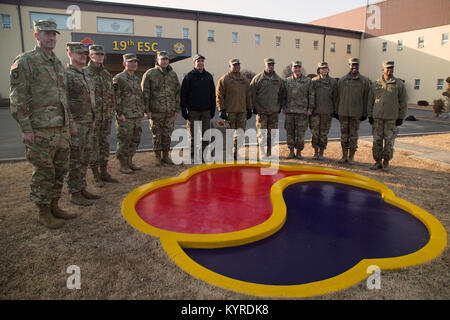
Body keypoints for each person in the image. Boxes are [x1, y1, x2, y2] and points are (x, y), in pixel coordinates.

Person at [10, 20, 77, 228]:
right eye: (47, 34)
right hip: (39, 130)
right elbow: (17, 98)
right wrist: (26, 129)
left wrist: (70, 123)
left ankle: (55, 205)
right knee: (43, 172)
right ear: (36, 35)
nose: (52, 38)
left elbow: (63, 96)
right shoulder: (26, 61)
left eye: (54, 34)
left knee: (60, 170)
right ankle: (43, 211)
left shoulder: (56, 63)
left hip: (61, 129)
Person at [65, 42, 100, 206]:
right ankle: (74, 192)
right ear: (70, 54)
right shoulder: (66, 74)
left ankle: (81, 188)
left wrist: (92, 120)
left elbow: (90, 100)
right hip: (75, 125)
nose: (83, 56)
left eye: (84, 54)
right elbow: (63, 102)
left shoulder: (86, 74)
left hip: (87, 123)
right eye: (79, 53)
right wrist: (70, 124)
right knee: (75, 159)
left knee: (85, 157)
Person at [86, 44, 118, 186]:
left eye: (101, 54)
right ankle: (96, 175)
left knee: (105, 144)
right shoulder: (85, 73)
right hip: (93, 118)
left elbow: (111, 95)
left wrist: (112, 111)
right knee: (94, 145)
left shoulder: (106, 74)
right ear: (90, 56)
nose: (99, 57)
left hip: (106, 117)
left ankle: (104, 172)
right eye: (96, 54)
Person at [141, 50, 180, 166]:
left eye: (166, 59)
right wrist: (146, 110)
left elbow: (177, 92)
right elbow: (145, 93)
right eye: (162, 59)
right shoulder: (150, 73)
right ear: (157, 60)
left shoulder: (172, 74)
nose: (164, 61)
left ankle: (165, 156)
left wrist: (177, 110)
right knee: (156, 135)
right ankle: (158, 157)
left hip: (169, 112)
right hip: (156, 112)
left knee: (167, 135)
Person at [368, 61, 407, 170]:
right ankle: (377, 161)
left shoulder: (398, 84)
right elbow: (370, 100)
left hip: (391, 119)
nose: (389, 70)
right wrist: (370, 115)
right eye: (387, 68)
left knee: (389, 142)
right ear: (383, 69)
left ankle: (386, 161)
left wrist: (401, 117)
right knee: (377, 141)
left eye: (391, 68)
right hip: (377, 118)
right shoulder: (376, 84)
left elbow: (403, 101)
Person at [113, 53, 145, 174]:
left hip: (136, 115)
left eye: (135, 62)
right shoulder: (119, 78)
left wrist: (141, 111)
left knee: (135, 139)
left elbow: (139, 97)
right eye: (130, 62)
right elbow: (115, 97)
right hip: (125, 116)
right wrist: (119, 113)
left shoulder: (136, 79)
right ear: (124, 63)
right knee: (124, 140)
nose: (133, 64)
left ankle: (130, 161)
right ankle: (123, 164)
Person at [180, 53, 216, 162]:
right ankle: (193, 154)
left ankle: (204, 154)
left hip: (206, 111)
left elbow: (212, 95)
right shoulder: (189, 76)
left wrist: (212, 110)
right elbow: (183, 95)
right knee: (193, 135)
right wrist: (184, 110)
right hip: (193, 111)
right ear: (194, 63)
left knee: (206, 134)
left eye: (202, 61)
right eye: (198, 61)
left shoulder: (208, 76)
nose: (200, 63)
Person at [336, 57, 371, 165]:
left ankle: (351, 157)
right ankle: (344, 156)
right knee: (344, 136)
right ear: (349, 66)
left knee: (353, 136)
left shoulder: (364, 81)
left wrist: (365, 113)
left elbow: (367, 98)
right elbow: (337, 97)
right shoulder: (342, 80)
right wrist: (337, 111)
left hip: (356, 113)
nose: (354, 67)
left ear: (358, 66)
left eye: (356, 65)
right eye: (352, 65)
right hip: (343, 113)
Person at [216, 58, 252, 160]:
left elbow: (248, 95)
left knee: (240, 134)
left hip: (241, 112)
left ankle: (238, 153)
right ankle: (228, 153)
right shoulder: (224, 79)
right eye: (234, 65)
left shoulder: (244, 80)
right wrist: (221, 109)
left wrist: (249, 108)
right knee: (228, 134)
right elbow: (219, 95)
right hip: (229, 112)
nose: (236, 67)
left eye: (238, 65)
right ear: (230, 66)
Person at [250, 58, 285, 158]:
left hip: (273, 112)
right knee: (262, 135)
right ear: (265, 65)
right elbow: (252, 94)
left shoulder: (278, 80)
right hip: (261, 112)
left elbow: (282, 94)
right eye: (269, 65)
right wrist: (255, 107)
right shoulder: (257, 79)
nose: (271, 66)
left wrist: (279, 106)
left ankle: (270, 153)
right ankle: (262, 153)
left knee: (272, 135)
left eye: (272, 65)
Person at [282, 61, 313, 160]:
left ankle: (299, 152)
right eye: (295, 67)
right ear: (292, 69)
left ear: (301, 68)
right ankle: (291, 152)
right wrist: (284, 107)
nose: (297, 69)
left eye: (298, 67)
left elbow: (311, 95)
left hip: (302, 112)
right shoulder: (287, 81)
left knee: (300, 134)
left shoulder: (308, 81)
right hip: (290, 112)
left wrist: (310, 108)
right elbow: (283, 95)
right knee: (289, 133)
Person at [310, 62, 338, 160]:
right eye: (322, 68)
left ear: (328, 69)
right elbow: (310, 96)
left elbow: (336, 97)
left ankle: (321, 152)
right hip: (315, 113)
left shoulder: (333, 82)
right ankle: (315, 152)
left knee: (324, 133)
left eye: (325, 68)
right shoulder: (313, 81)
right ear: (319, 70)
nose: (324, 70)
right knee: (315, 133)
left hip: (327, 112)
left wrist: (335, 111)